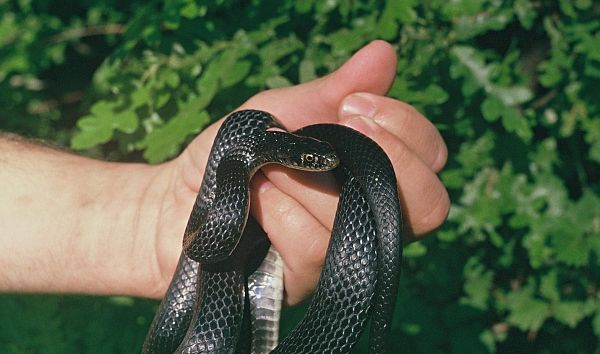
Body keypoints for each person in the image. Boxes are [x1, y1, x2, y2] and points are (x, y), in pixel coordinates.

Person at [0, 41, 449, 305]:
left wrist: (143, 218)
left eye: (313, 160)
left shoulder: (254, 137)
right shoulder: (240, 158)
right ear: (286, 157)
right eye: (310, 162)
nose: (321, 164)